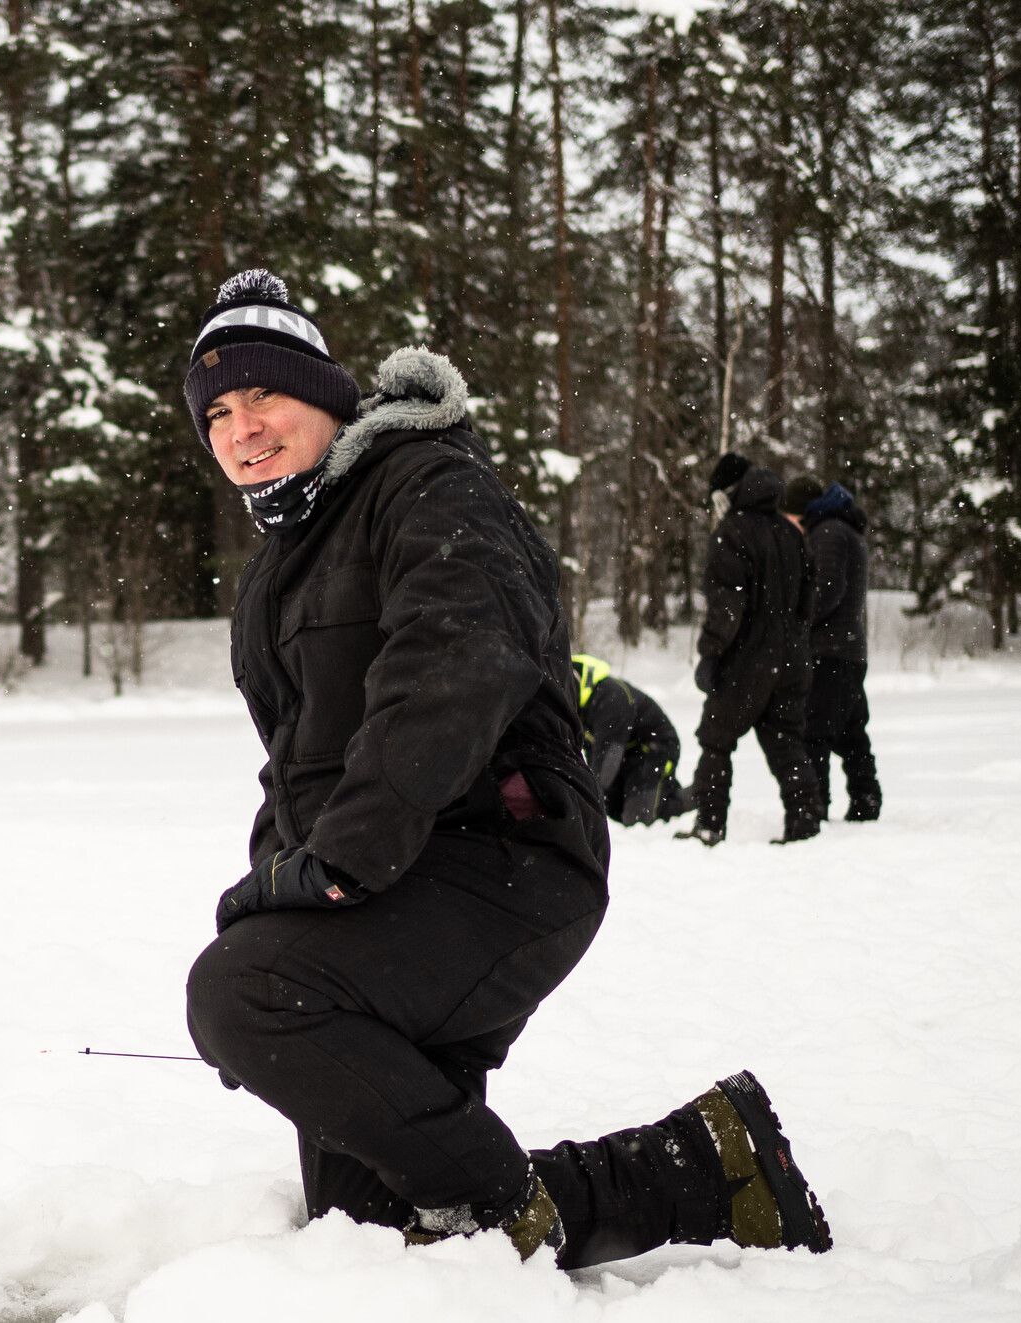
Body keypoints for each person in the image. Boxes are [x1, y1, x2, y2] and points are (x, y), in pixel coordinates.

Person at [180, 270, 831, 1268]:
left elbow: (455, 659)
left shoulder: (425, 483)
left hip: (502, 861)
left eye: (262, 393)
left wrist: (335, 873)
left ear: (323, 392)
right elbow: (296, 766)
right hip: (394, 882)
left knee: (241, 997)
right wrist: (272, 896)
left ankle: (503, 1214)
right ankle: (707, 1167)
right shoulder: (281, 568)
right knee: (370, 1221)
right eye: (217, 411)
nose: (241, 426)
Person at [678, 453, 821, 846]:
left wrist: (711, 653)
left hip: (746, 662)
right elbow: (808, 602)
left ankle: (709, 823)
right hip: (791, 660)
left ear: (730, 491)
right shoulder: (793, 534)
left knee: (716, 740)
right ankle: (805, 820)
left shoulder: (733, 533)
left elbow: (727, 604)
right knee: (786, 742)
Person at [781, 477, 881, 822]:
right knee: (851, 730)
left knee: (814, 730)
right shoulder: (843, 529)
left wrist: (798, 620)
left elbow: (827, 588)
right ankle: (866, 798)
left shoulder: (827, 533)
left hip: (829, 650)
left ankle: (816, 804)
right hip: (849, 650)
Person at [571, 653, 692, 825]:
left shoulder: (609, 697)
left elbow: (608, 758)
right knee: (612, 811)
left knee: (636, 821)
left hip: (655, 748)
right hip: (626, 753)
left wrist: (585, 801)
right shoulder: (577, 703)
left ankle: (699, 796)